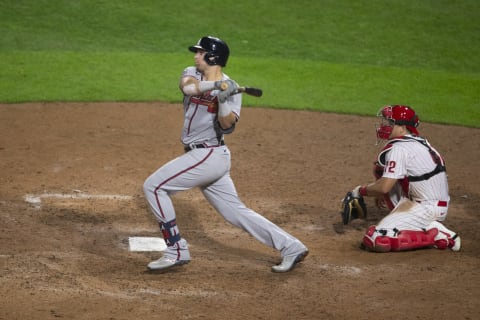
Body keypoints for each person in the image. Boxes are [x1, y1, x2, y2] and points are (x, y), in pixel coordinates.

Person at [143, 36, 308, 272]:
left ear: (212, 57)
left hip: (209, 155)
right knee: (235, 212)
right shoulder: (192, 72)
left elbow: (228, 126)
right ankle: (291, 246)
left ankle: (176, 248)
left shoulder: (232, 89)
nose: (195, 56)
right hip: (206, 157)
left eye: (200, 52)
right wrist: (215, 87)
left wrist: (223, 101)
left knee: (154, 186)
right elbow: (188, 88)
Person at [350, 105, 461, 252]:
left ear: (402, 127)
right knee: (383, 171)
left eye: (390, 123)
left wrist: (360, 191)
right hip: (433, 203)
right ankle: (423, 224)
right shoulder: (419, 142)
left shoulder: (399, 148)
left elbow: (384, 186)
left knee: (376, 238)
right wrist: (383, 192)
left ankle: (437, 234)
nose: (385, 126)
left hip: (425, 208)